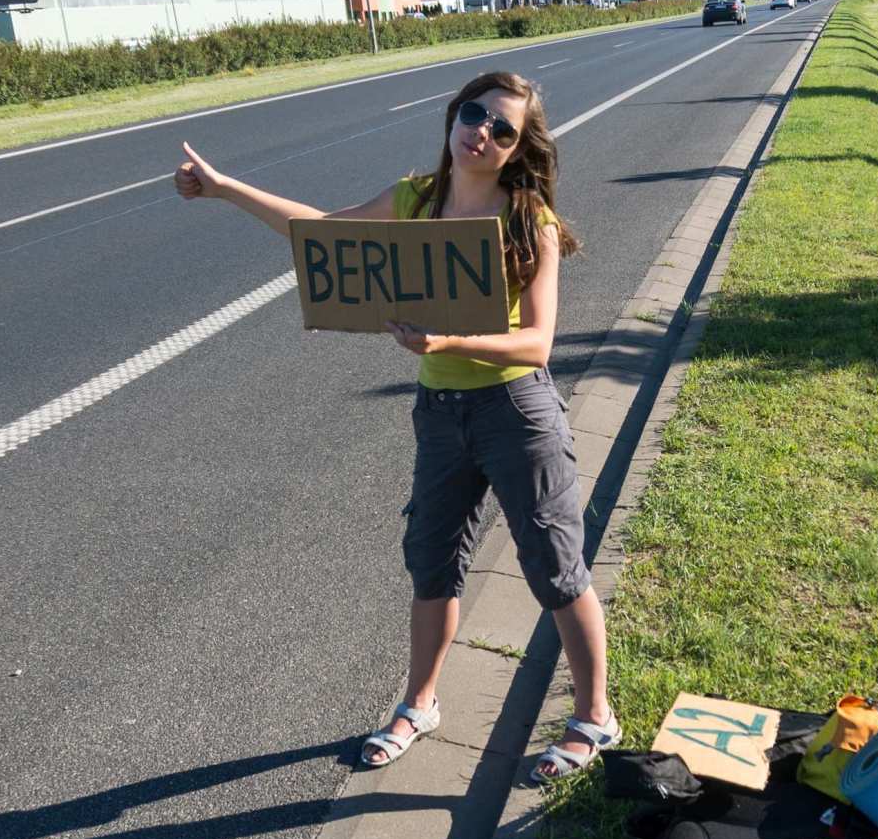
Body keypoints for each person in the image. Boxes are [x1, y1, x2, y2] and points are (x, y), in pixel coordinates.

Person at [173, 71, 618, 782]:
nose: (483, 132)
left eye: (503, 129)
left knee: (556, 567)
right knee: (432, 562)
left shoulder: (525, 217)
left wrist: (449, 343)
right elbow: (322, 233)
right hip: (440, 413)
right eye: (475, 114)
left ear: (516, 147)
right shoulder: (416, 199)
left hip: (515, 411)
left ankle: (595, 714)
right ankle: (418, 703)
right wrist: (225, 188)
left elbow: (537, 343)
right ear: (453, 116)